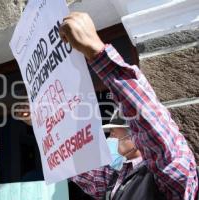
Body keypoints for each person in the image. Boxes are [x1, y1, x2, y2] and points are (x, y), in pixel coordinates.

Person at [16, 12, 198, 200]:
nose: (112, 135)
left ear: (138, 135)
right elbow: (76, 163)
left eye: (116, 129)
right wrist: (41, 122)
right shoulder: (116, 179)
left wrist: (97, 52)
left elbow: (153, 125)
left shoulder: (171, 173)